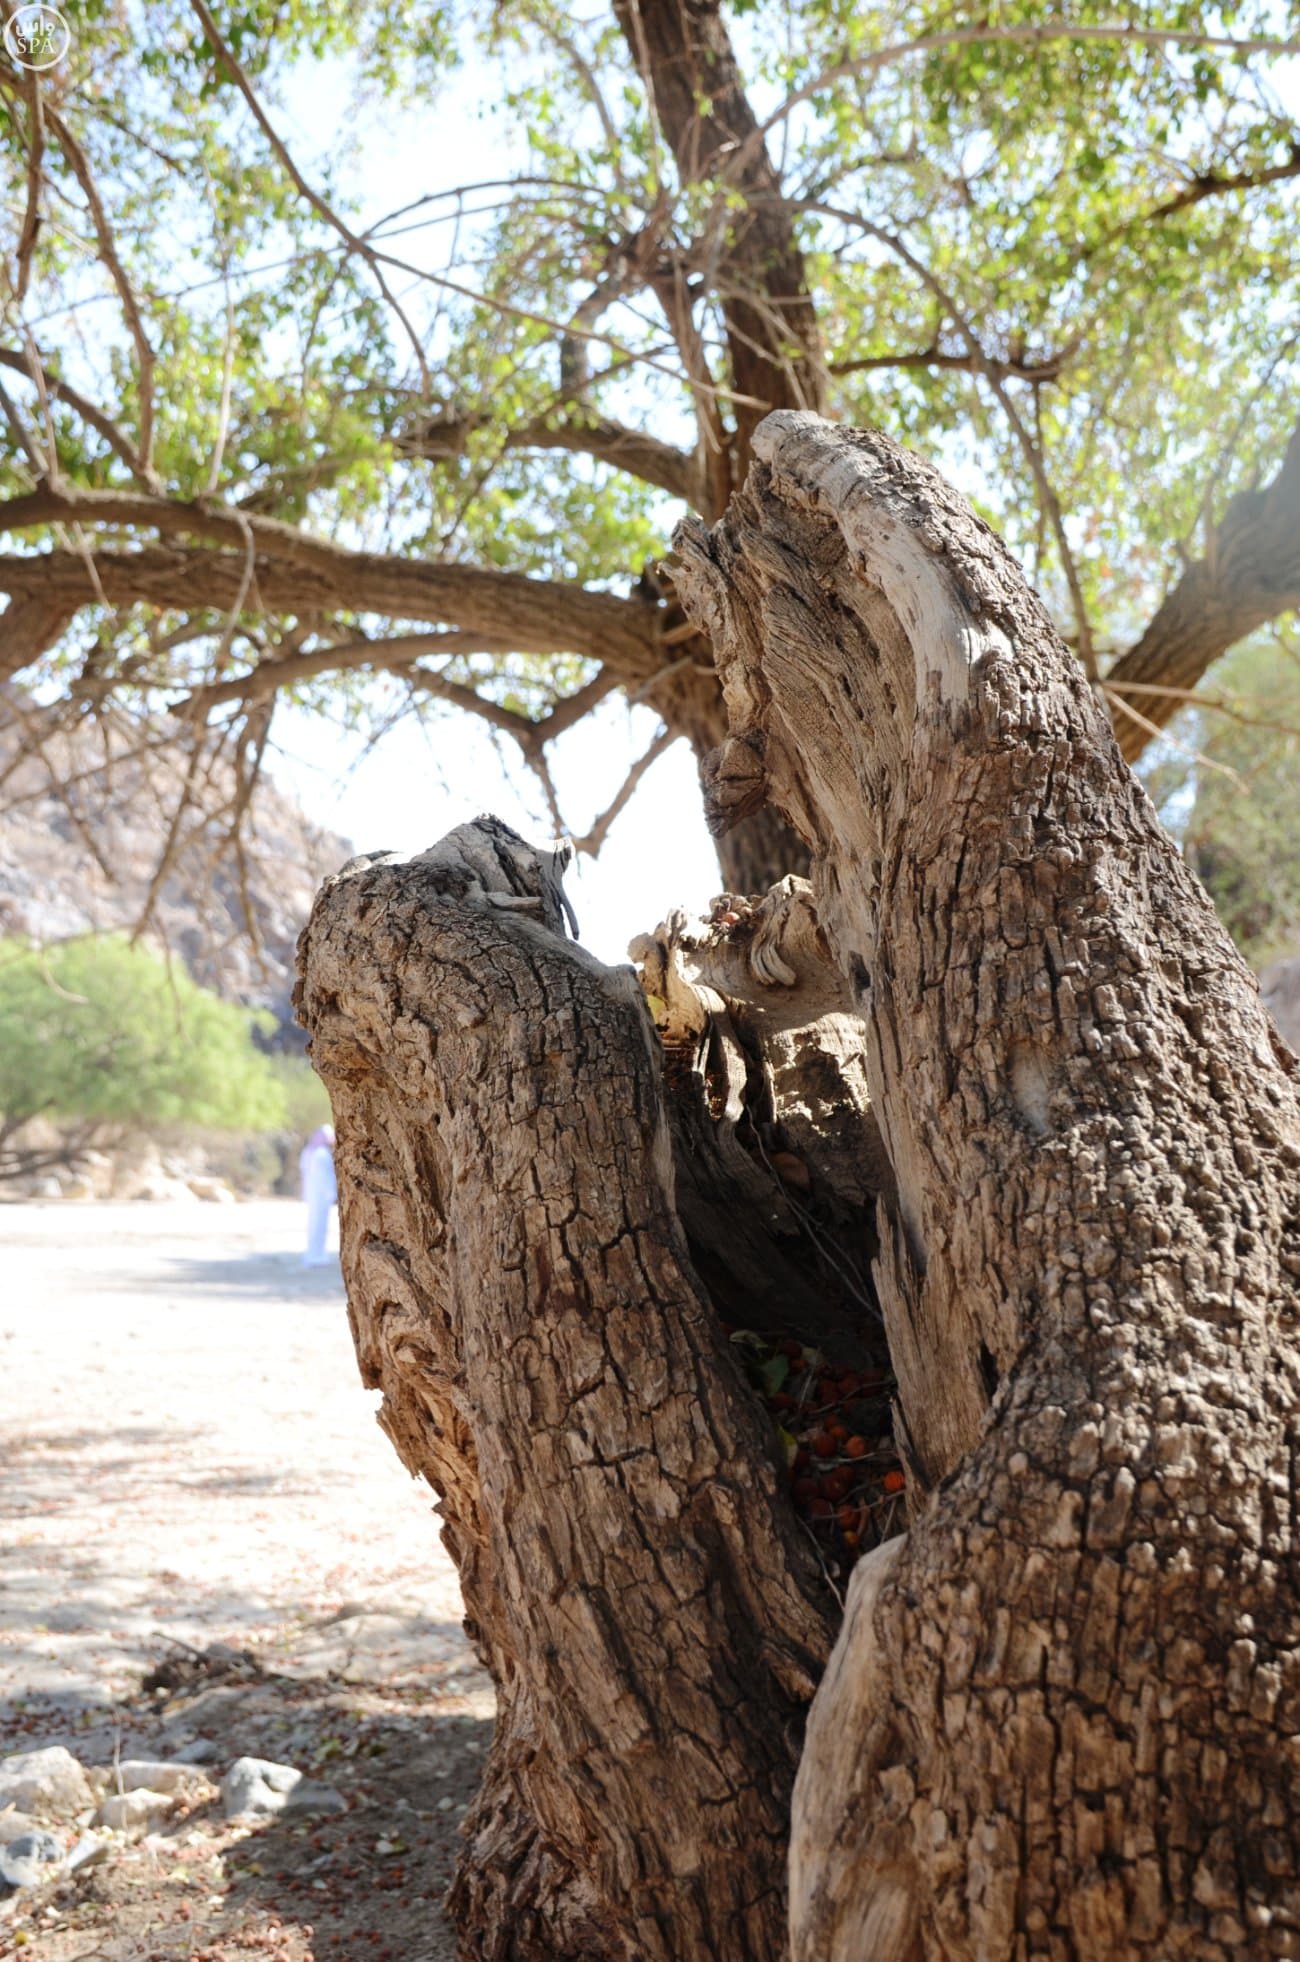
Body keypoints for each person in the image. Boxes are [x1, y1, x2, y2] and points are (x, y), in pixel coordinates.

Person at [299, 1124, 337, 1267]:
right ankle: (316, 1255)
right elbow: (324, 1176)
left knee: (315, 1224)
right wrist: (331, 1194)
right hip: (320, 1195)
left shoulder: (309, 1151)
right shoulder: (321, 1153)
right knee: (319, 1225)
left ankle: (315, 1254)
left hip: (313, 1194)